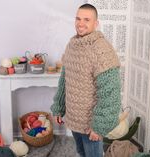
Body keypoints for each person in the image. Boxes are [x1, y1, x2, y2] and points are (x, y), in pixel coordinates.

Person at [51, 3, 121, 157]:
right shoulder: (72, 45)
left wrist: (99, 126)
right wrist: (59, 107)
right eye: (78, 18)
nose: (80, 23)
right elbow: (65, 79)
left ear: (96, 23)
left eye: (86, 19)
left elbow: (110, 93)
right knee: (81, 153)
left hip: (91, 124)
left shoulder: (101, 50)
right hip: (75, 118)